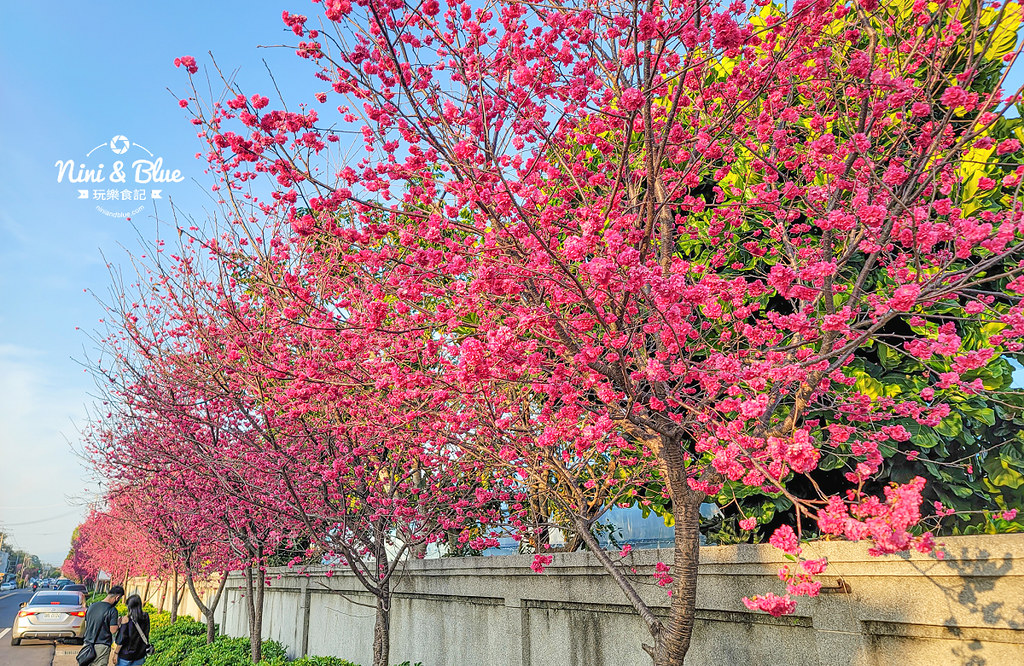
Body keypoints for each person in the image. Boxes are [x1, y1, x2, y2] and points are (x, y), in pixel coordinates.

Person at [82, 584, 123, 666]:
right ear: (117, 597)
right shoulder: (112, 610)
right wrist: (119, 623)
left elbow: (86, 624)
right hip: (102, 646)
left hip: (87, 644)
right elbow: (113, 630)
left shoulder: (92, 606)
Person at [112, 594, 151, 666]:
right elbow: (146, 632)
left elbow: (122, 639)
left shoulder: (126, 619)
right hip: (140, 655)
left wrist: (116, 653)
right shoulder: (146, 616)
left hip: (125, 655)